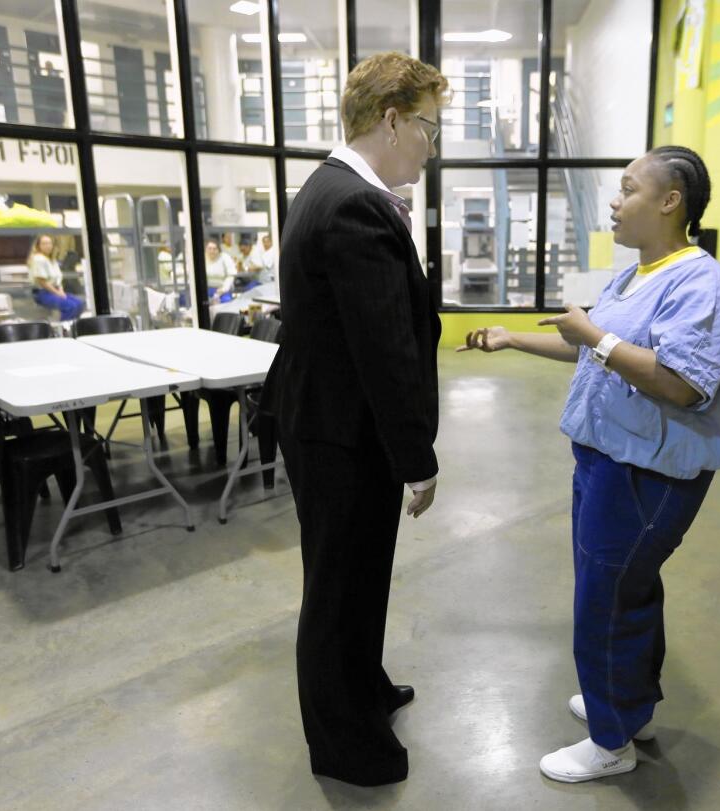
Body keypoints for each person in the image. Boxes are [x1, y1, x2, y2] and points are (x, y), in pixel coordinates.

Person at [460, 146, 720, 783]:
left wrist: (593, 335)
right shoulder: (638, 275)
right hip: (603, 461)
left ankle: (610, 741)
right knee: (628, 590)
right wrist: (514, 338)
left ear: (670, 201)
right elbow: (597, 351)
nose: (615, 204)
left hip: (647, 474)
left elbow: (679, 383)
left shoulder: (702, 286)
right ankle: (628, 705)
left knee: (606, 600)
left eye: (628, 189)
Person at [261, 51, 448, 787]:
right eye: (429, 127)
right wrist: (418, 456)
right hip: (344, 432)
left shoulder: (332, 189)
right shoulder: (354, 206)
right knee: (338, 588)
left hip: (330, 419)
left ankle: (364, 688)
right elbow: (385, 351)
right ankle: (345, 746)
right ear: (394, 119)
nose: (432, 146)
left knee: (361, 574)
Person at [28, 233, 84, 321]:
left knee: (79, 303)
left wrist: (61, 290)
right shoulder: (38, 259)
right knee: (70, 306)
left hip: (55, 290)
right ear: (38, 246)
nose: (48, 246)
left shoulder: (52, 260)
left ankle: (73, 327)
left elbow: (58, 280)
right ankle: (64, 330)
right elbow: (42, 282)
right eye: (44, 244)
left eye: (49, 243)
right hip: (43, 293)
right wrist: (58, 293)